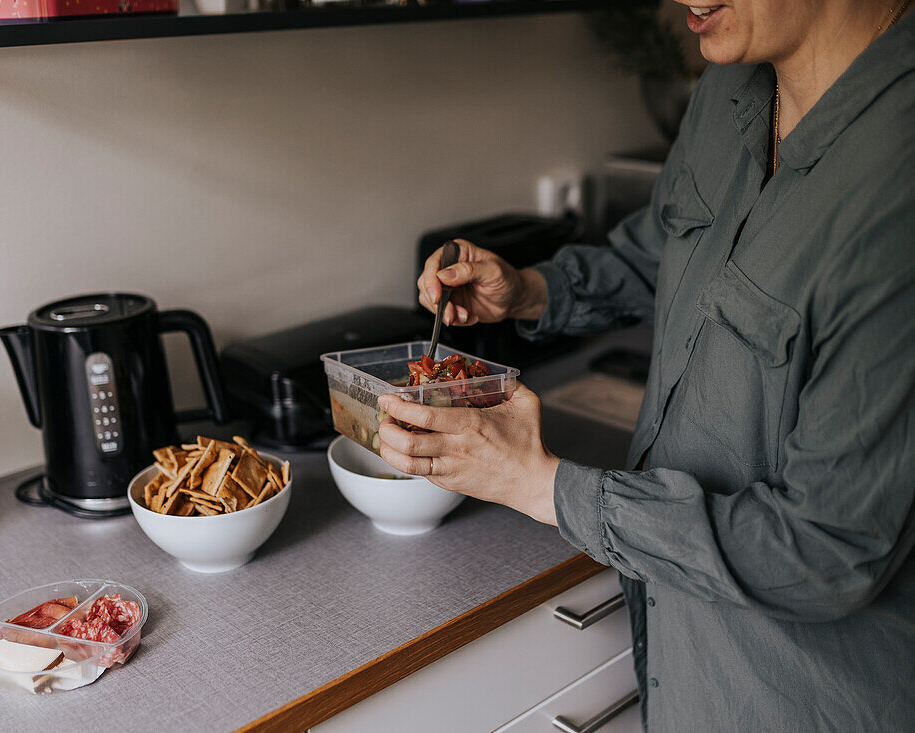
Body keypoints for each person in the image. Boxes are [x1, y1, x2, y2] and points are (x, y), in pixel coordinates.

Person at [377, 1, 915, 729]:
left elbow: (825, 550)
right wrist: (534, 290)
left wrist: (541, 485)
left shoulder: (896, 188)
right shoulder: (730, 85)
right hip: (683, 669)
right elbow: (665, 247)